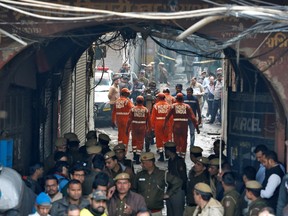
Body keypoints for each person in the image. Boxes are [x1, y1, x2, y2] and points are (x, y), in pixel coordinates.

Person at [164, 93, 200, 158]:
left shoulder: (173, 106)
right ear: (183, 99)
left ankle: (177, 153)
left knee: (176, 139)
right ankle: (183, 154)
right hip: (184, 126)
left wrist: (164, 125)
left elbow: (167, 116)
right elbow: (193, 118)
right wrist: (197, 128)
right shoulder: (187, 106)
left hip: (176, 125)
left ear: (176, 99)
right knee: (184, 139)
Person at [126, 95, 151, 164]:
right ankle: (137, 156)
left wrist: (127, 128)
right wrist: (149, 129)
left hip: (134, 127)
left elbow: (129, 120)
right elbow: (149, 121)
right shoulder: (146, 110)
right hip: (142, 128)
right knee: (140, 142)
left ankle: (134, 155)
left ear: (136, 101)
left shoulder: (133, 109)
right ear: (143, 102)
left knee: (134, 141)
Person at [164, 142, 187, 216]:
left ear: (168, 151)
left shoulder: (179, 161)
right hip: (171, 188)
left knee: (177, 212)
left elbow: (183, 177)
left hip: (178, 189)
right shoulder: (170, 160)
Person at [150, 93, 172, 162]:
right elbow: (171, 117)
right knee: (166, 138)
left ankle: (161, 156)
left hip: (158, 123)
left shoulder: (156, 106)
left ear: (159, 98)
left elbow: (153, 117)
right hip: (167, 123)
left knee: (159, 139)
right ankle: (167, 154)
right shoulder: (168, 106)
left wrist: (152, 126)